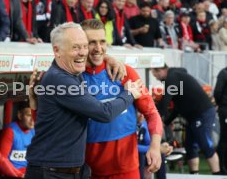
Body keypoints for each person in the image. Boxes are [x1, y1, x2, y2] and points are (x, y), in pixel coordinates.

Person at [25, 22, 142, 179]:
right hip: (52, 172)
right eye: (75, 47)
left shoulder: (70, 71)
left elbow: (91, 57)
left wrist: (108, 58)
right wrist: (129, 94)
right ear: (56, 51)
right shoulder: (60, 80)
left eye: (84, 46)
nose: (82, 53)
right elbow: (104, 113)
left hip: (66, 170)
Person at [81, 19, 163, 179]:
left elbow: (152, 113)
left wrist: (155, 146)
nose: (98, 48)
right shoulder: (73, 78)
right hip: (88, 171)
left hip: (127, 170)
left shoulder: (126, 73)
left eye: (102, 41)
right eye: (92, 43)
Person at [151, 64, 221, 175]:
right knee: (190, 146)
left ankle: (218, 175)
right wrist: (166, 121)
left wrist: (153, 117)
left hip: (202, 114)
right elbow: (178, 106)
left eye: (155, 75)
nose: (156, 78)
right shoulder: (176, 77)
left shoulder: (172, 77)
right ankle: (194, 174)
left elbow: (165, 101)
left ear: (160, 70)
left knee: (206, 145)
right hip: (193, 117)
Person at [0, 101, 35, 176]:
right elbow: (2, 160)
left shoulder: (33, 131)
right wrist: (19, 174)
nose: (32, 119)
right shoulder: (10, 131)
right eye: (29, 115)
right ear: (20, 115)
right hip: (13, 173)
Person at [214, 66, 227, 174]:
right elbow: (217, 92)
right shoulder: (223, 73)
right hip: (225, 109)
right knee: (224, 138)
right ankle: (221, 167)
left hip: (224, 107)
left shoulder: (223, 73)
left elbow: (218, 92)